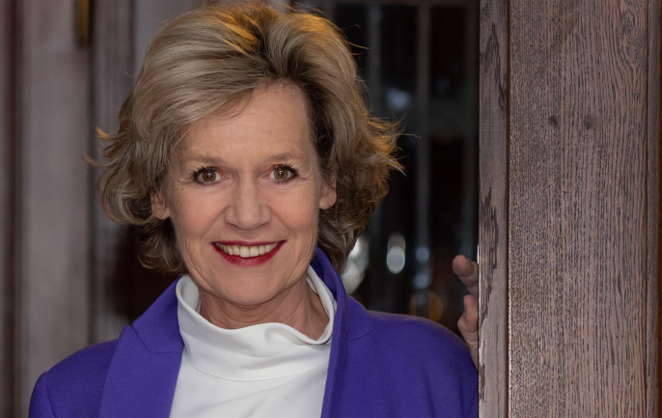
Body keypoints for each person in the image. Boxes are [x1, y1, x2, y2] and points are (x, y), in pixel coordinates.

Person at [30, 2, 479, 417]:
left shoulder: (435, 374)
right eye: (208, 174)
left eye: (281, 172)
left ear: (329, 181)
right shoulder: (73, 400)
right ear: (158, 193)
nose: (247, 216)